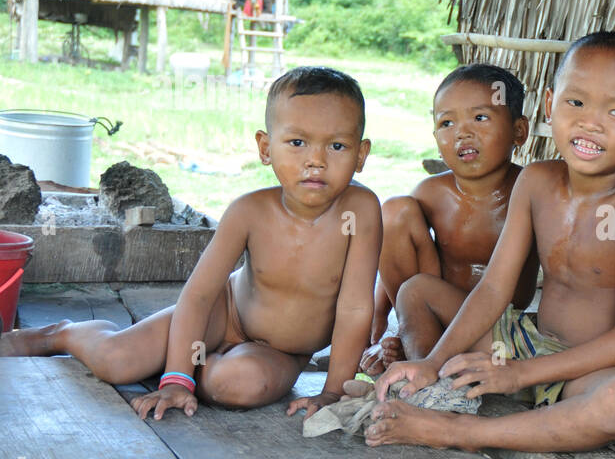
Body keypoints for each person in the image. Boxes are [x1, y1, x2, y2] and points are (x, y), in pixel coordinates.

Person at [1, 67, 382, 422]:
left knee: (234, 386)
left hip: (283, 350)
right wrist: (176, 380)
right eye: (297, 142)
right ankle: (60, 333)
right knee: (117, 360)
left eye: (336, 146)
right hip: (222, 314)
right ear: (266, 148)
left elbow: (354, 307)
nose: (315, 161)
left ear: (361, 154)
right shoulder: (248, 211)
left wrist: (334, 392)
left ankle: (195, 363)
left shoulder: (361, 211)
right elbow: (199, 296)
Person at [366, 31, 615, 452]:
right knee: (417, 291)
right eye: (576, 102)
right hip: (523, 342)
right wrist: (432, 360)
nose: (590, 122)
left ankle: (460, 432)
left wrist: (517, 375)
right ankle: (434, 389)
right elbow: (494, 288)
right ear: (550, 105)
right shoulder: (536, 182)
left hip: (593, 368)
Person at [361, 64, 538, 376]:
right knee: (393, 212)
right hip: (432, 310)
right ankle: (412, 337)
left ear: (518, 131)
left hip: (496, 327)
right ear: (435, 137)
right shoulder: (432, 193)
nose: (462, 132)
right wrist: (379, 322)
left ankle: (423, 362)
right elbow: (390, 251)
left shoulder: (533, 192)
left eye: (480, 118)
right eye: (447, 122)